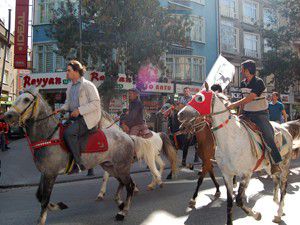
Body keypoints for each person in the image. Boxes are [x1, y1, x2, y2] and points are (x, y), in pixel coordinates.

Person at [227, 60, 282, 174]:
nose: (241, 71)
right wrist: (238, 114)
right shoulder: (243, 83)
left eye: (242, 69)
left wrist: (233, 105)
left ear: (247, 70)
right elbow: (244, 102)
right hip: (246, 113)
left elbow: (249, 98)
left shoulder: (259, 82)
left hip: (260, 114)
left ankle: (275, 162)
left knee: (268, 135)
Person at [55, 60, 101, 173]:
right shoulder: (70, 86)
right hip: (75, 117)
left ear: (76, 71)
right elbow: (68, 103)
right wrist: (62, 108)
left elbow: (96, 103)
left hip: (87, 117)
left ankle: (79, 164)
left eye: (68, 70)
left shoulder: (88, 85)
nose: (66, 72)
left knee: (69, 133)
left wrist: (79, 111)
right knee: (60, 131)